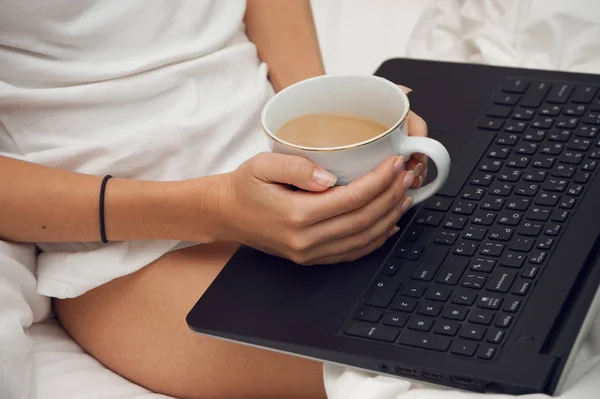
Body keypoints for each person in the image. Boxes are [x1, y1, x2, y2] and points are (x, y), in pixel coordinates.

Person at [0, 1, 428, 398]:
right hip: (134, 248)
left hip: (283, 155)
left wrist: (317, 119)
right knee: (432, 363)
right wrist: (214, 207)